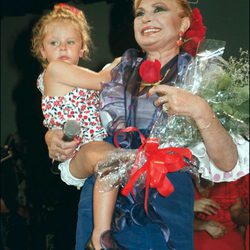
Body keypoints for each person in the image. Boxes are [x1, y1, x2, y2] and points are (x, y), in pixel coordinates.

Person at [44, 0, 249, 249]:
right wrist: (55, 137)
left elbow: (227, 162)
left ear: (183, 23)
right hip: (102, 205)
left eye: (158, 9)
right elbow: (75, 117)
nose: (146, 18)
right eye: (140, 12)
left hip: (166, 205)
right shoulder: (115, 71)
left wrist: (200, 110)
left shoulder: (204, 76)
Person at [31, 4, 125, 249]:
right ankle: (99, 235)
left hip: (91, 144)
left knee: (113, 162)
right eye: (54, 43)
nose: (62, 48)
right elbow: (103, 80)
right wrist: (123, 61)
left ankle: (102, 232)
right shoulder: (56, 69)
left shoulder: (78, 74)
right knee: (110, 159)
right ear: (41, 50)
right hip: (80, 146)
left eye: (70, 42)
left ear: (82, 47)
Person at [193, 176, 245, 250]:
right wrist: (202, 225)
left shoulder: (235, 179)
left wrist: (237, 213)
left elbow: (239, 217)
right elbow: (175, 219)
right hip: (197, 240)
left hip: (231, 241)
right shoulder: (182, 179)